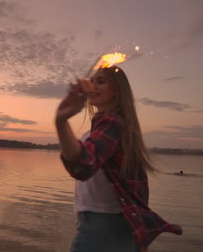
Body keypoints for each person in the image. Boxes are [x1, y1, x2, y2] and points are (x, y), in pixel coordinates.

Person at [55, 66, 182, 252]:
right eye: (92, 81)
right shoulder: (103, 130)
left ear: (117, 90)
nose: (92, 86)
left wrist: (60, 121)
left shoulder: (112, 123)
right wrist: (62, 121)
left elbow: (82, 167)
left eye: (101, 81)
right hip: (109, 226)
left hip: (104, 227)